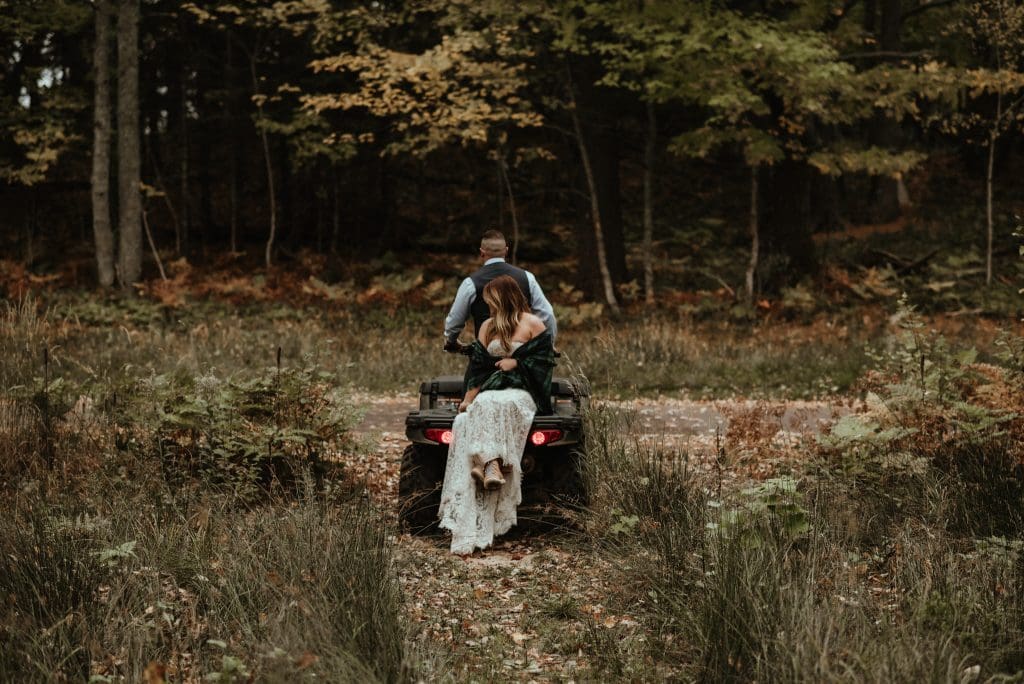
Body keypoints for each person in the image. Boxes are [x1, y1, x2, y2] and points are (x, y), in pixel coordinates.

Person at [438, 275, 555, 555]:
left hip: (522, 391)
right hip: (491, 391)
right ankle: (486, 470)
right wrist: (467, 399)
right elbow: (478, 368)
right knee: (464, 419)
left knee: (491, 404)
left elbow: (543, 361)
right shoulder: (487, 327)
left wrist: (516, 362)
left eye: (490, 299)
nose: (486, 304)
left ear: (503, 296)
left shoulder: (532, 323)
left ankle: (490, 464)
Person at [443, 230, 557, 351]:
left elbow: (455, 320)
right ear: (506, 251)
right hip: (522, 357)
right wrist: (548, 345)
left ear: (482, 253)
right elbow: (547, 314)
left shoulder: (470, 283)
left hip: (486, 355)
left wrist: (451, 341)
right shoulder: (527, 278)